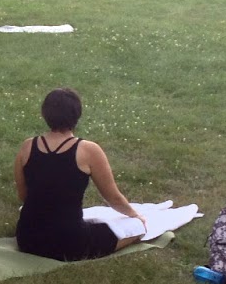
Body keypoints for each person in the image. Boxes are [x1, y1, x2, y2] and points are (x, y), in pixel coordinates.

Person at [14, 87, 144, 261]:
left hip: (26, 238)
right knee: (137, 228)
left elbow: (24, 196)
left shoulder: (27, 146)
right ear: (77, 115)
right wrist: (136, 216)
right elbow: (113, 198)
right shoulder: (89, 150)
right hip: (70, 243)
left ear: (44, 114)